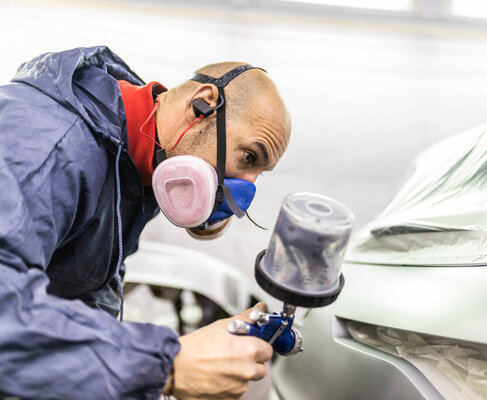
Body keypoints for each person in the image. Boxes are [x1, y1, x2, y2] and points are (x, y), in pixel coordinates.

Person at [0, 46, 291, 399]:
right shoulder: (46, 151)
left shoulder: (137, 158)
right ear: (202, 105)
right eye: (248, 157)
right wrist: (167, 365)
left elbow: (83, 293)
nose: (243, 192)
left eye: (259, 173)